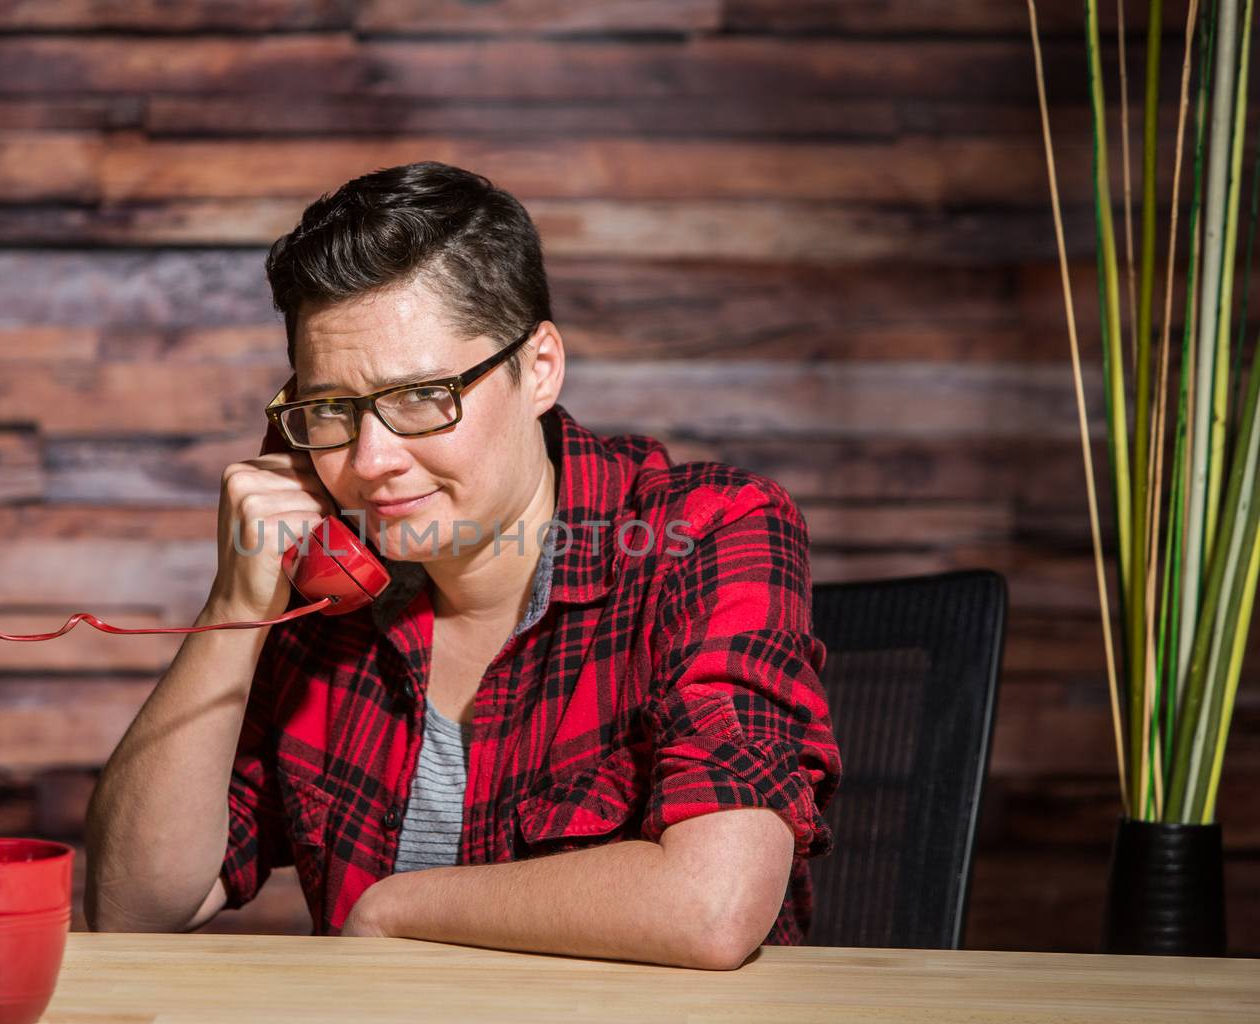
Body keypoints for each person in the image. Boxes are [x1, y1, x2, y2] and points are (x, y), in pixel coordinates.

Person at [84, 161, 841, 969]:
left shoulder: (708, 531)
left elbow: (713, 904)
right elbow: (133, 907)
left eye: (421, 396)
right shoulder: (321, 600)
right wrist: (236, 604)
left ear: (539, 367)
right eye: (332, 408)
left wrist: (395, 906)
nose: (370, 462)